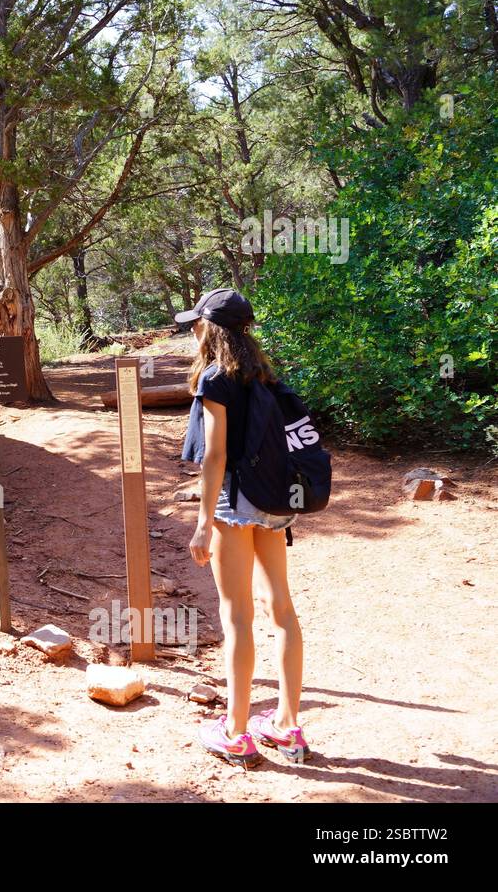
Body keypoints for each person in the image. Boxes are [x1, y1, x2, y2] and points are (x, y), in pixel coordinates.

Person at [177, 288, 310, 766]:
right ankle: (287, 726)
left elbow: (214, 455)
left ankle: (235, 731)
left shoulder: (216, 378)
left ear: (210, 328)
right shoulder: (264, 374)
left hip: (236, 504)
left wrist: (200, 523)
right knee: (282, 610)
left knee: (236, 617)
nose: (191, 330)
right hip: (276, 501)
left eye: (195, 323)